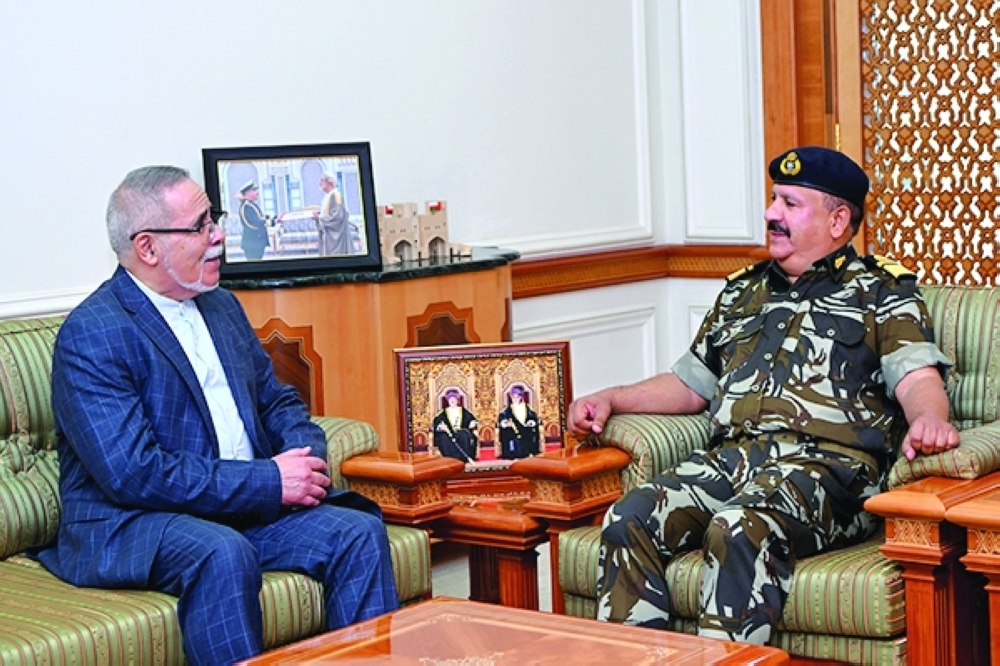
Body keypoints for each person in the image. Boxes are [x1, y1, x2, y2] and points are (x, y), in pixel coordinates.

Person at [566, 146, 959, 645]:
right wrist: (614, 397)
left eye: (791, 204)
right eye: (775, 199)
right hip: (735, 459)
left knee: (737, 526)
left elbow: (916, 377)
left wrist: (930, 419)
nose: (772, 214)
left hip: (830, 472)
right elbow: (692, 385)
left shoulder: (880, 292)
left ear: (838, 220)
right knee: (629, 516)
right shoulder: (742, 292)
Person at [33, 166, 399, 665]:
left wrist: (305, 459)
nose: (219, 235)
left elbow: (277, 401)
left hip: (233, 510)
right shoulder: (93, 333)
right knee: (221, 552)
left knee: (356, 532)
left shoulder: (221, 306)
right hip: (134, 523)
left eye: (214, 219)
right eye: (201, 225)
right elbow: (133, 473)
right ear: (148, 248)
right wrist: (270, 481)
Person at [432, 389, 480, 462]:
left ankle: (464, 458)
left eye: (454, 399)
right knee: (443, 438)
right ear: (448, 401)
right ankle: (451, 459)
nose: (452, 401)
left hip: (460, 432)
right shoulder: (442, 413)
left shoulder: (463, 411)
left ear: (457, 400)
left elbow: (473, 420)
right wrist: (440, 427)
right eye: (450, 399)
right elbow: (436, 424)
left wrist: (473, 423)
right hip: (448, 434)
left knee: (464, 434)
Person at [314, 173, 354, 255]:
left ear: (330, 182)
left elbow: (338, 216)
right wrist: (318, 217)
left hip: (336, 240)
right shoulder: (327, 197)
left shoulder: (336, 195)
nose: (319, 183)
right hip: (328, 236)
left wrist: (320, 218)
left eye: (322, 180)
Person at [238, 180, 279, 260]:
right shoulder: (247, 207)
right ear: (247, 193)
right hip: (253, 243)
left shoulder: (251, 205)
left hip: (256, 242)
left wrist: (275, 218)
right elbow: (257, 223)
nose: (257, 193)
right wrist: (274, 222)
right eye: (254, 190)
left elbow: (262, 217)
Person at [498, 386, 541, 459]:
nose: (515, 399)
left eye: (517, 397)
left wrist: (531, 422)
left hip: (526, 431)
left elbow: (534, 419)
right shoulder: (506, 411)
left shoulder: (528, 409)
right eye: (513, 397)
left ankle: (530, 451)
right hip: (513, 432)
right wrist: (505, 423)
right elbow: (502, 420)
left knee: (530, 434)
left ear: (520, 397)